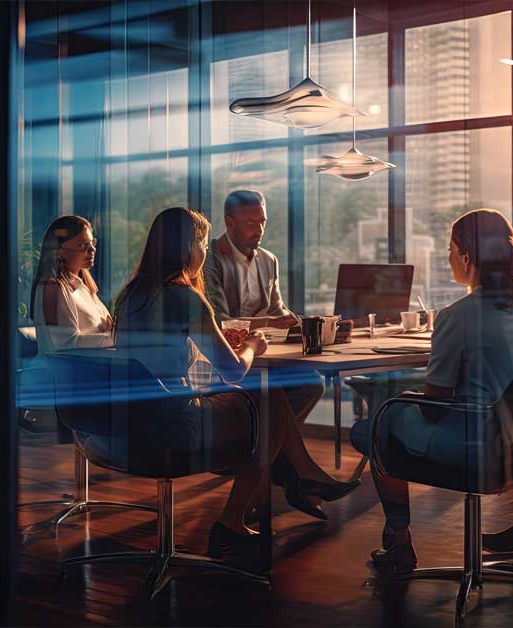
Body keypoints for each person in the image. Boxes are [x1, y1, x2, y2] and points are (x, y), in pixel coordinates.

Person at [113, 207, 358, 561]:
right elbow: (233, 371)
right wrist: (252, 346)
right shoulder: (184, 296)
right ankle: (238, 515)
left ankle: (299, 474)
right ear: (188, 247)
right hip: (175, 426)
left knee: (266, 398)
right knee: (267, 398)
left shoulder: (132, 296)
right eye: (202, 244)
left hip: (128, 424)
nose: (205, 253)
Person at [349, 209, 513, 574]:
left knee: (375, 426)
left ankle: (400, 544)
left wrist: (408, 393)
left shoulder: (457, 315)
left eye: (449, 250)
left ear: (466, 255)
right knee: (392, 415)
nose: (448, 259)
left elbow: (433, 408)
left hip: (480, 446)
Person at [203, 189, 328, 519]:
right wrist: (269, 321)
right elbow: (215, 319)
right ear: (229, 223)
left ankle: (271, 458)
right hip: (226, 357)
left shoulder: (268, 260)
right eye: (249, 224)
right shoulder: (209, 259)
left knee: (311, 382)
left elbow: (276, 307)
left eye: (262, 222)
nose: (258, 230)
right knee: (270, 393)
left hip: (261, 352)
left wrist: (292, 319)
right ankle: (283, 469)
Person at [30, 215, 113, 354]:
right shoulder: (53, 288)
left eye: (93, 242)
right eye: (83, 244)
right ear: (60, 250)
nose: (92, 249)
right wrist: (114, 338)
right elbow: (65, 344)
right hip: (60, 374)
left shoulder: (84, 288)